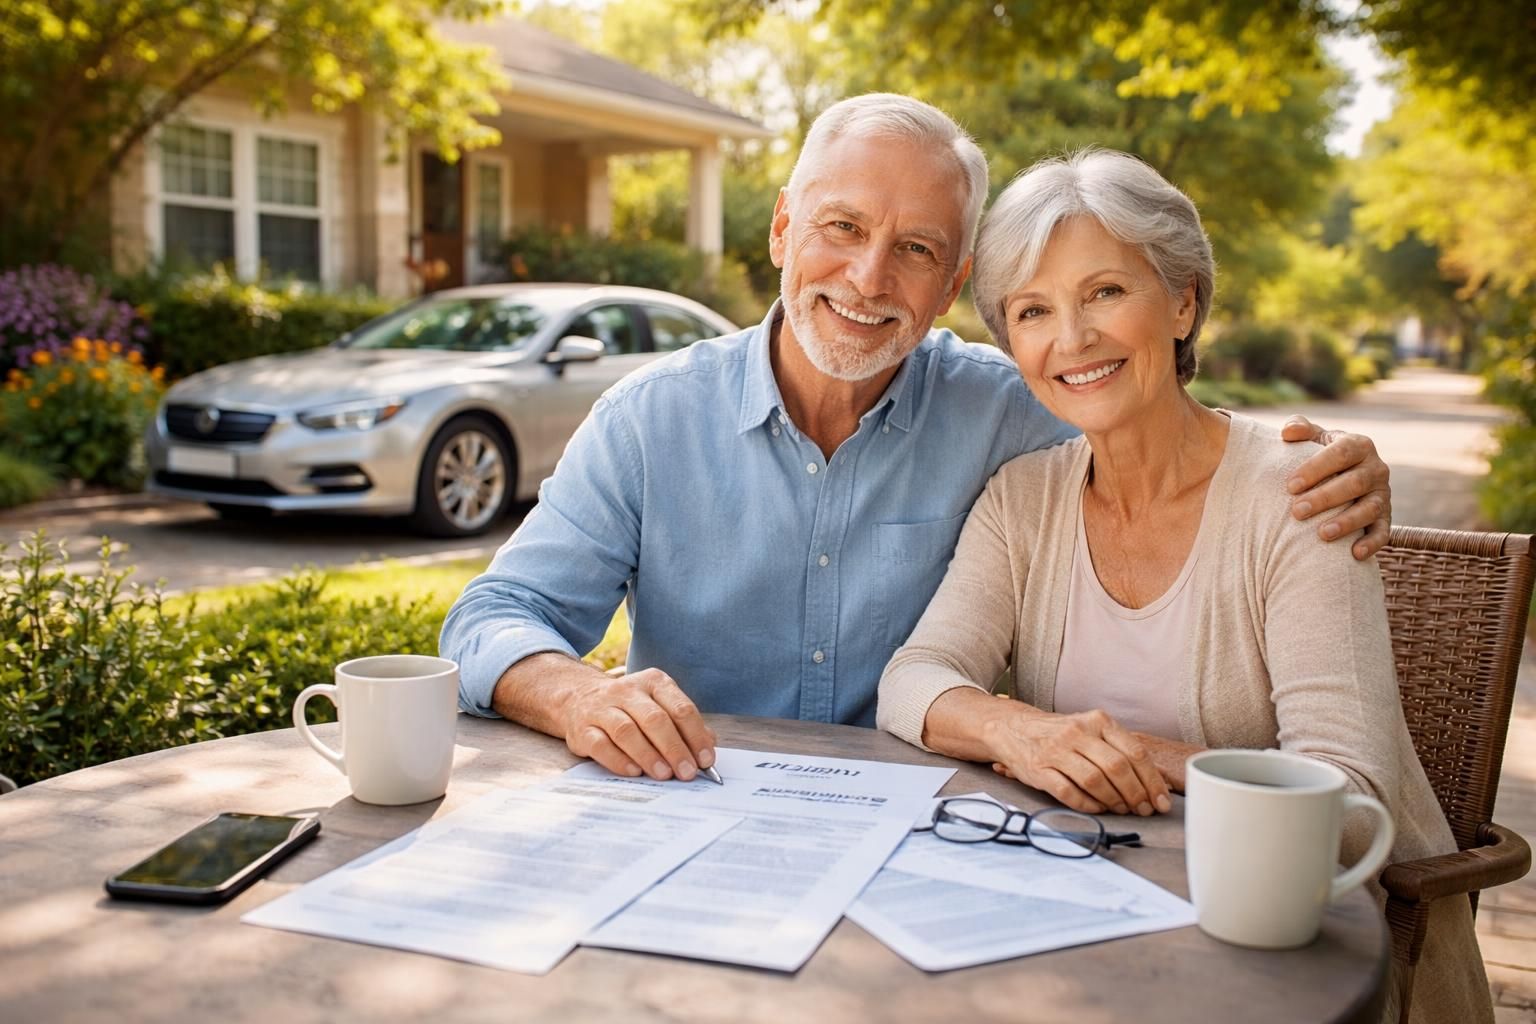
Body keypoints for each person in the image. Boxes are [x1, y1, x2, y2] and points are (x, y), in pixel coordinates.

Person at [439, 93, 1391, 788]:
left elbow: (1138, 394)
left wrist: (1314, 456)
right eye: (840, 227)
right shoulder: (652, 420)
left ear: (952, 283)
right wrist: (578, 697)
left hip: (914, 838)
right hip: (690, 811)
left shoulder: (1009, 412)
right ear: (781, 229)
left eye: (917, 250)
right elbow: (493, 618)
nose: (866, 277)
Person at [875, 148, 1488, 1024]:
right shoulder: (1024, 497)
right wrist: (1020, 732)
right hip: (1092, 923)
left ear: (1185, 301)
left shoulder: (1302, 493)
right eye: (1033, 311)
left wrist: (1142, 761)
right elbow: (914, 677)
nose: (1073, 338)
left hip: (1310, 958)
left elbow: (1351, 803)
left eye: (1106, 293)